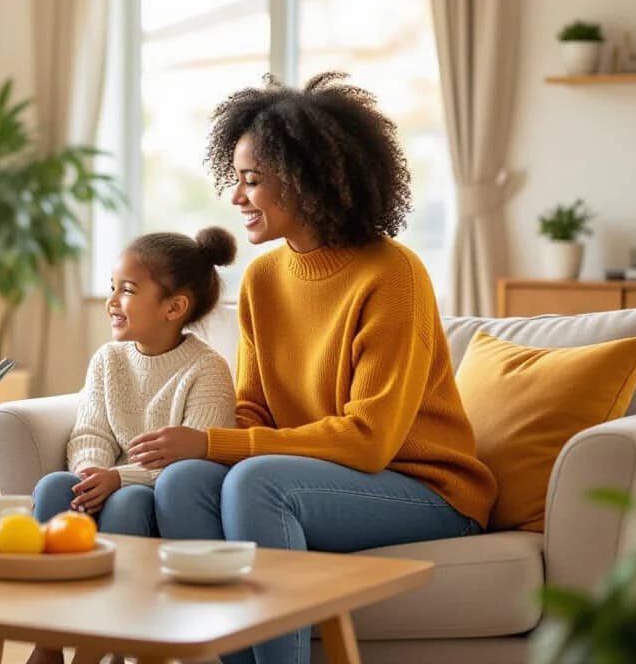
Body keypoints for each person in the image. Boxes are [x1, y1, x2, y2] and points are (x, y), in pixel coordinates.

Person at [125, 72, 498, 664]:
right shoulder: (263, 280)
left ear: (307, 181)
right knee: (184, 481)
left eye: (252, 181)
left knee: (256, 480)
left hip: (429, 491)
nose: (236, 197)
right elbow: (255, 407)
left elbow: (371, 442)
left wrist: (214, 441)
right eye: (236, 178)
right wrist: (194, 446)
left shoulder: (391, 274)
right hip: (317, 478)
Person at [25, 227, 239, 664]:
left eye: (127, 291)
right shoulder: (109, 359)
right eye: (111, 289)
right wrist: (89, 473)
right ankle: (46, 643)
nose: (111, 302)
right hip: (103, 480)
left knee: (127, 505)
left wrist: (117, 478)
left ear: (174, 307)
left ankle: (103, 646)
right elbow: (91, 432)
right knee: (52, 488)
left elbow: (193, 460)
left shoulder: (208, 370)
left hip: (153, 493)